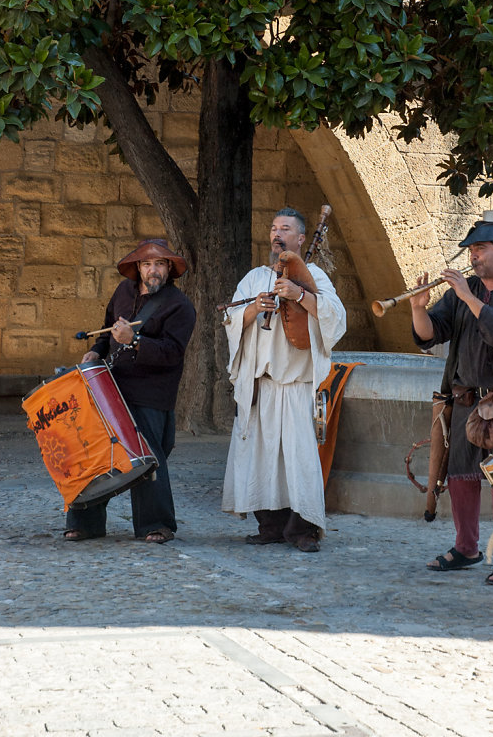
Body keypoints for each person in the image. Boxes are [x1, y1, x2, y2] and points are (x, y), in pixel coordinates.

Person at [410, 221, 493, 584]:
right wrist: (419, 309)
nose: (473, 256)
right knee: (461, 478)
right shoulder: (461, 291)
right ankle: (466, 547)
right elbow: (431, 335)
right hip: (465, 400)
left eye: (481, 248)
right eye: (471, 250)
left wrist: (469, 298)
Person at [222, 208, 346, 553]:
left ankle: (303, 529)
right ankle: (270, 526)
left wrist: (299, 294)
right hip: (260, 382)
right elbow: (232, 317)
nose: (277, 234)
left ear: (301, 238)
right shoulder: (254, 278)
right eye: (274, 228)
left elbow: (336, 318)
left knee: (298, 457)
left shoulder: (314, 275)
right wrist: (252, 310)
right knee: (261, 457)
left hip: (295, 383)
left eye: (286, 229)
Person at [65, 239, 196, 544]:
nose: (153, 270)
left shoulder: (180, 306)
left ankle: (157, 525)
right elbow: (107, 328)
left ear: (169, 269)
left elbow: (172, 353)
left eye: (160, 264)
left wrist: (134, 341)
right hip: (111, 385)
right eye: (148, 264)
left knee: (148, 459)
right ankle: (85, 522)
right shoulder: (123, 292)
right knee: (95, 451)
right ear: (138, 267)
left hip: (151, 393)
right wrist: (97, 351)